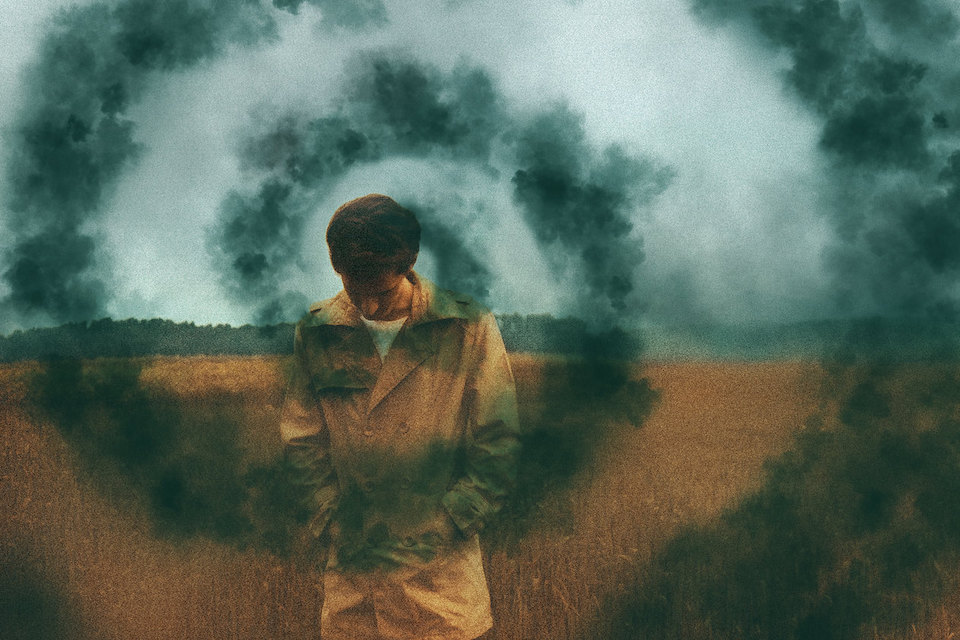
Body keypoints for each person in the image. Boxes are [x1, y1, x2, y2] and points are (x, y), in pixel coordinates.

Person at [280, 194, 520, 640]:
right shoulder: (317, 331)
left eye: (381, 291)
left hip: (440, 590)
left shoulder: (466, 327)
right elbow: (301, 442)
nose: (367, 305)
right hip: (354, 591)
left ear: (406, 262)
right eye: (355, 288)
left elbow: (499, 441)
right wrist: (331, 518)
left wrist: (450, 521)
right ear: (337, 267)